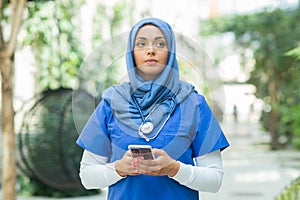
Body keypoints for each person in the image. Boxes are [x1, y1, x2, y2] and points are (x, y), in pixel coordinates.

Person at [76, 18, 229, 200]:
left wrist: (174, 169)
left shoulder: (194, 104)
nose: (151, 50)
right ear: (131, 53)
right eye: (141, 44)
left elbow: (214, 180)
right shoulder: (111, 103)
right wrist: (118, 169)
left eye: (160, 43)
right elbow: (87, 177)